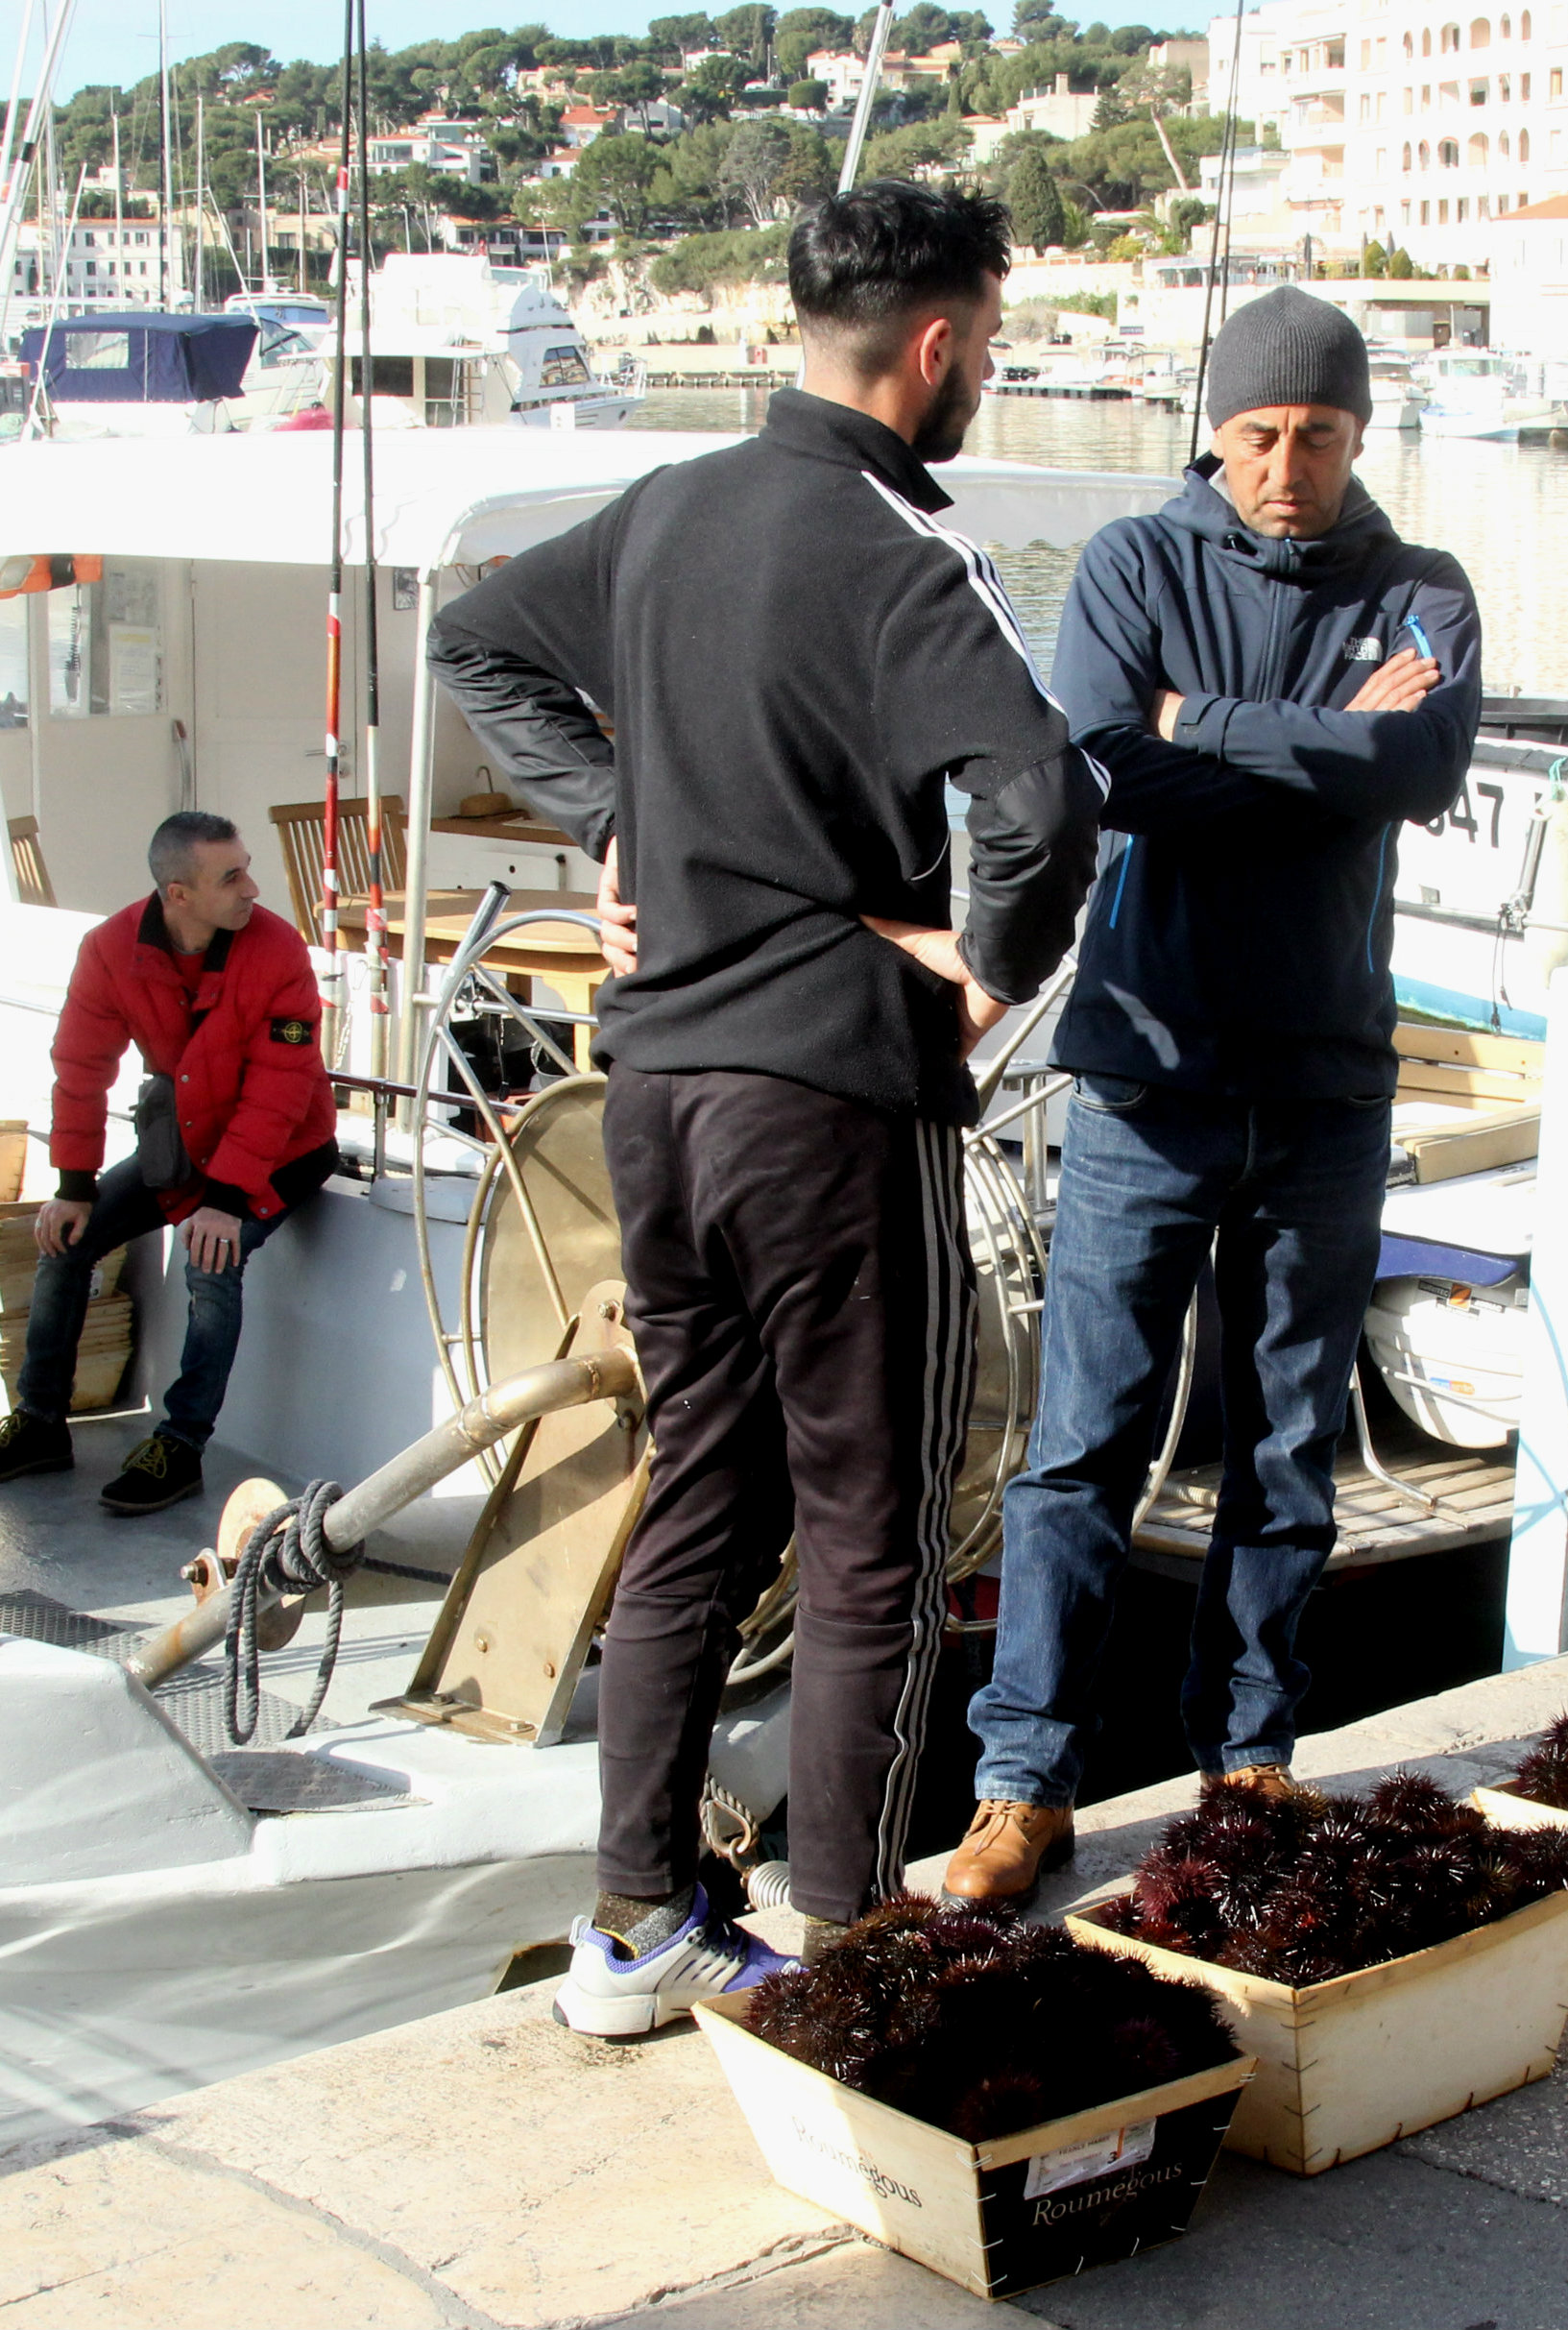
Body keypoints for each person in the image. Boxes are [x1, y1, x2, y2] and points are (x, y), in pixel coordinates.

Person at [426, 181, 1103, 2031]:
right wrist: (978, 973)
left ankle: (635, 1926)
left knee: (701, 1503)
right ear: (943, 342)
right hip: (828, 1104)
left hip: (650, 1093)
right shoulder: (897, 548)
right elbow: (1044, 798)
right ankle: (854, 1952)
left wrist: (613, 821)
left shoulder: (662, 510)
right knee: (870, 1524)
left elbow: (475, 645)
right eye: (991, 344)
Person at [943, 285, 1483, 1911]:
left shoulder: (1423, 588)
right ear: (1215, 428)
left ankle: (1248, 1767)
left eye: (1318, 436)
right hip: (1143, 1078)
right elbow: (1098, 766)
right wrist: (1305, 747)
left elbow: (1425, 771)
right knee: (1082, 1445)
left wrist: (1211, 730)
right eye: (1258, 435)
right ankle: (1021, 1781)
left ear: (1359, 433)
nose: (1285, 467)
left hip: (1323, 1083)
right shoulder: (1129, 564)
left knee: (1289, 1448)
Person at [0, 812, 336, 1517]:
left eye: (246, 867)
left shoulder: (278, 949)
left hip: (282, 1151)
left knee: (210, 1260)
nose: (253, 886)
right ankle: (41, 1424)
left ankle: (182, 1443)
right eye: (232, 876)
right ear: (177, 894)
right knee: (65, 1242)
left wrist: (223, 1197)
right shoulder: (109, 950)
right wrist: (72, 1186)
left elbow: (281, 1087)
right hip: (187, 1146)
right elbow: (80, 1067)